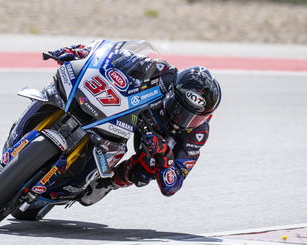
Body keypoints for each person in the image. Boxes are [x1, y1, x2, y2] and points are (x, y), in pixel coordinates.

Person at [48, 43, 222, 206]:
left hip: (155, 140)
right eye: (180, 109)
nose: (182, 120)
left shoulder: (197, 134)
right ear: (172, 92)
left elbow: (172, 185)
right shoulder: (163, 72)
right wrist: (81, 52)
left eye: (194, 117)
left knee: (147, 169)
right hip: (133, 111)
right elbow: (119, 57)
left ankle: (106, 183)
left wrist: (163, 153)